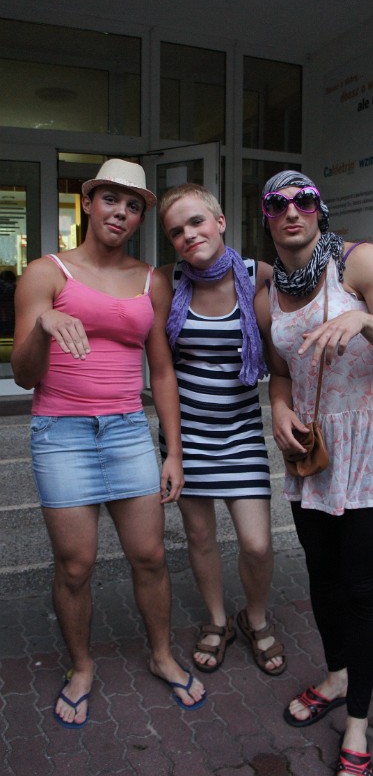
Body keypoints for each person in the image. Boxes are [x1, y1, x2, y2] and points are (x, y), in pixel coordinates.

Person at [11, 159, 206, 728]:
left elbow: (161, 371)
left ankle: (161, 654)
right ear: (89, 203)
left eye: (133, 205)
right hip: (61, 434)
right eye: (111, 200)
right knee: (75, 567)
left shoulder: (152, 280)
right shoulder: (45, 273)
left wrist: (173, 450)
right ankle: (81, 666)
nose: (121, 212)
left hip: (126, 431)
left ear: (140, 217)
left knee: (150, 556)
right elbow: (23, 375)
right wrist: (44, 325)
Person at [255, 170, 373, 776]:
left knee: (360, 587)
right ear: (267, 217)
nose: (291, 211)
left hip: (367, 443)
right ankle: (335, 676)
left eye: (303, 200)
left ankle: (357, 721)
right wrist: (279, 408)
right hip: (312, 447)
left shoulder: (359, 263)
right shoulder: (268, 294)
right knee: (322, 577)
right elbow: (281, 372)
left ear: (319, 210)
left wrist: (365, 322)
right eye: (277, 203)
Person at [158, 183, 286, 676]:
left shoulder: (258, 275)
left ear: (220, 222)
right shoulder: (167, 281)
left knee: (256, 543)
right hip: (186, 435)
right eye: (176, 231)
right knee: (200, 536)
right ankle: (217, 619)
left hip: (241, 432)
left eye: (196, 222)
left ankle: (255, 617)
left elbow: (323, 298)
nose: (188, 235)